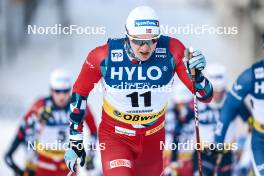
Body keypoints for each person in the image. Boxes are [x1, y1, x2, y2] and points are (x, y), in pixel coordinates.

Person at [64, 6, 213, 176]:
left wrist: (198, 76)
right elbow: (79, 92)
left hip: (153, 139)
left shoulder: (172, 50)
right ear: (127, 36)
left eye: (152, 40)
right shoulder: (103, 56)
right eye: (138, 41)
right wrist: (75, 139)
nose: (145, 48)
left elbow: (205, 96)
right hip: (116, 137)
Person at [4, 69, 97, 176]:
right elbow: (23, 128)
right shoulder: (41, 104)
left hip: (68, 164)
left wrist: (91, 155)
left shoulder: (79, 106)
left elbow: (93, 131)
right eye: (57, 91)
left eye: (65, 91)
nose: (62, 96)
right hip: (43, 164)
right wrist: (37, 118)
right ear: (51, 90)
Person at [193, 63, 251, 176]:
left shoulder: (234, 99)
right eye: (214, 91)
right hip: (203, 154)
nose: (217, 95)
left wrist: (244, 146)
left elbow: (251, 122)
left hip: (226, 154)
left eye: (221, 90)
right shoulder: (196, 99)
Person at [214, 58, 264, 175]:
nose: (217, 93)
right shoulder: (251, 76)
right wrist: (218, 143)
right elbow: (229, 108)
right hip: (260, 139)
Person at [164, 82, 195, 176]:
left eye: (184, 103)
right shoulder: (167, 114)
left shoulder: (195, 116)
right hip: (167, 158)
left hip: (188, 158)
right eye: (179, 103)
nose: (181, 105)